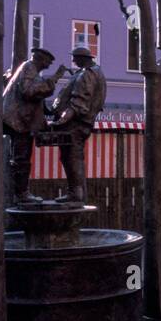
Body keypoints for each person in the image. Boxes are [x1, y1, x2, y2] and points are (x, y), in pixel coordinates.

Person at [1, 47, 66, 203]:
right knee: (21, 158)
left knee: (21, 157)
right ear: (40, 59)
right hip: (19, 121)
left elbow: (34, 97)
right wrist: (54, 79)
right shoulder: (29, 67)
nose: (49, 66)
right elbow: (28, 91)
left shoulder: (30, 70)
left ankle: (21, 193)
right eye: (48, 63)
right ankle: (21, 194)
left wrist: (51, 112)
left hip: (21, 120)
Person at [50, 41, 107, 204]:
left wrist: (60, 121)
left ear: (82, 58)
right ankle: (77, 193)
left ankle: (75, 193)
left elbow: (78, 103)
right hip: (79, 123)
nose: (73, 61)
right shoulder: (92, 72)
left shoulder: (86, 74)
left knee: (71, 157)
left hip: (75, 124)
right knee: (72, 157)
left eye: (75, 58)